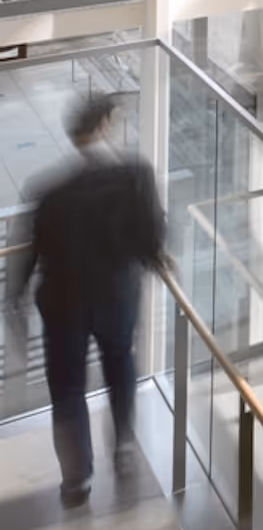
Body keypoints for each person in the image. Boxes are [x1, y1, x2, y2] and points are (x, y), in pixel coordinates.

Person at [5, 92, 168, 505]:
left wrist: (16, 299)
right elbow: (151, 238)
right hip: (116, 295)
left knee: (68, 388)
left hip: (62, 304)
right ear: (103, 126)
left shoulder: (47, 190)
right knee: (120, 362)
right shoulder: (136, 174)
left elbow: (28, 252)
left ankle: (76, 478)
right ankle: (125, 446)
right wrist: (157, 261)